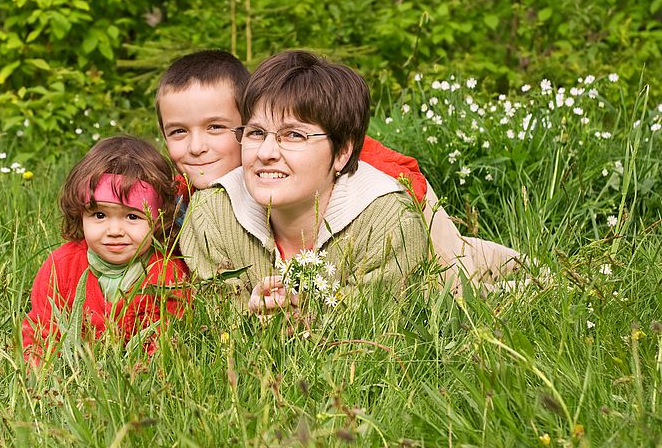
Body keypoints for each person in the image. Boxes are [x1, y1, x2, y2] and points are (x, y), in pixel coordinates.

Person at [156, 50, 523, 296]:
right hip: (304, 218)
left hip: (412, 208)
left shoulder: (375, 194)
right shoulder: (204, 203)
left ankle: (519, 268)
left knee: (458, 277)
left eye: (217, 128)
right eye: (178, 132)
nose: (197, 147)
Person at [178, 50, 428, 311]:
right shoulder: (210, 214)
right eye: (256, 132)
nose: (265, 152)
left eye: (294, 135)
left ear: (342, 151)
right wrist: (251, 318)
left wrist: (301, 320)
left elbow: (373, 332)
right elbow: (219, 321)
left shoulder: (390, 224)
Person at [21, 135, 189, 366]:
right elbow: (42, 328)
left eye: (132, 216)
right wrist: (41, 374)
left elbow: (167, 338)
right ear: (80, 214)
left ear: (159, 219)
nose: (114, 230)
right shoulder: (61, 267)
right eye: (99, 215)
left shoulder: (165, 275)